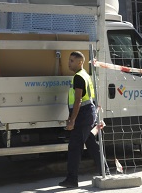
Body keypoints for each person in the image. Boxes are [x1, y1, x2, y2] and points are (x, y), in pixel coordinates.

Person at [59, 51, 102, 188]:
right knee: (91, 144)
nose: (69, 63)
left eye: (72, 60)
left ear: (80, 62)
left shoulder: (78, 77)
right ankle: (104, 170)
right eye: (69, 60)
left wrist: (72, 120)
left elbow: (78, 100)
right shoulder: (84, 75)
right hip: (88, 113)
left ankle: (72, 180)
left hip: (83, 116)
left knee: (74, 147)